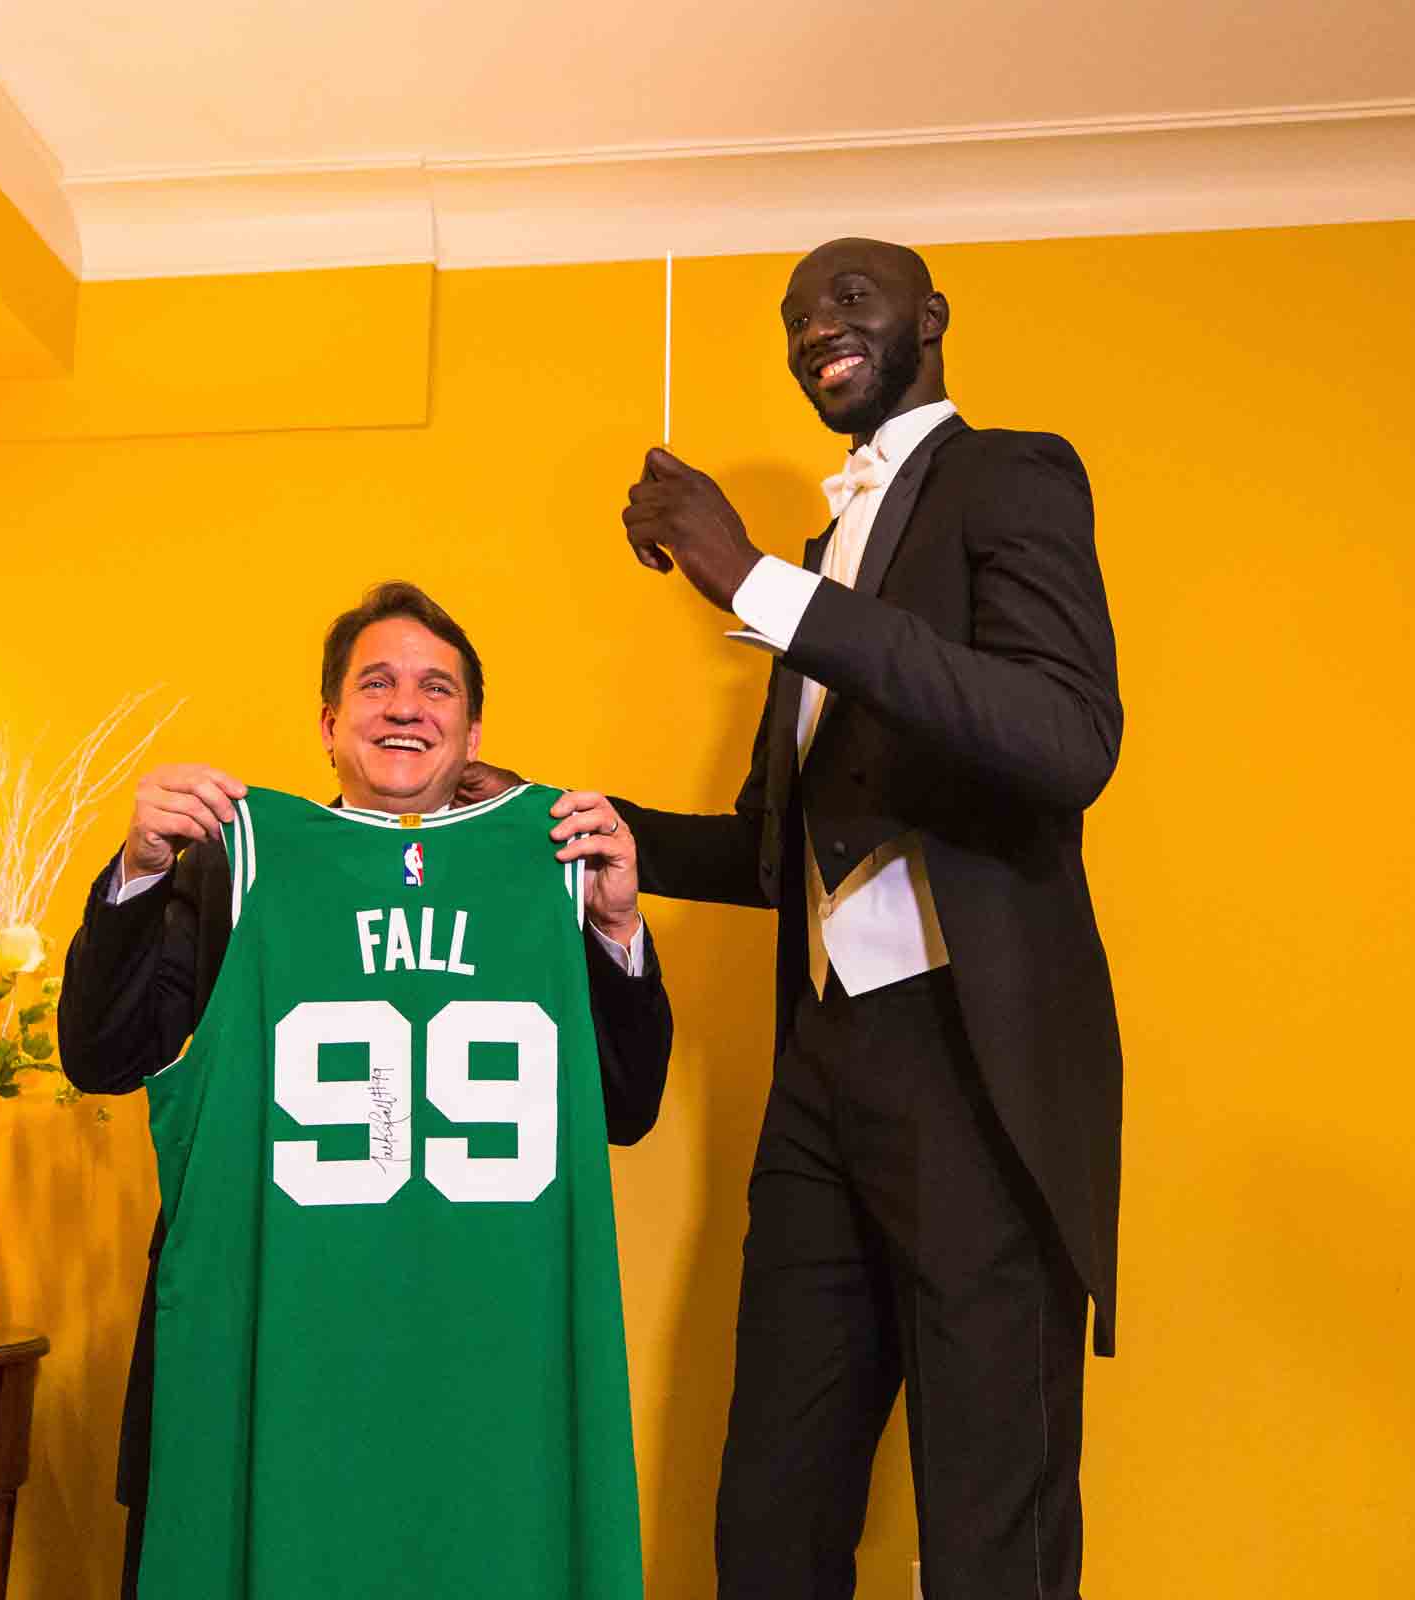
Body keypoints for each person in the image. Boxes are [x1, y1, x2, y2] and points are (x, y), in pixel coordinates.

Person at [485, 237, 1124, 1598]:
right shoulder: (829, 556)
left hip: (977, 1068)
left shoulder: (1011, 475)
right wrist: (559, 812)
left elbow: (1067, 740)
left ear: (931, 318)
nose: (813, 328)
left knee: (986, 1538)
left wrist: (757, 583)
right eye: (793, 317)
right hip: (823, 1076)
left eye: (846, 297)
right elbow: (780, 858)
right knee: (770, 1517)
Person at [59, 580, 673, 1598]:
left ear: (472, 732)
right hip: (275, 1352)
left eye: (436, 689)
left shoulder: (556, 867)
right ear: (329, 722)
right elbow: (100, 1053)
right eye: (376, 682)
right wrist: (137, 865)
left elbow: (626, 1106)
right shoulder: (226, 863)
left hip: (485, 1377)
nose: (405, 705)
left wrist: (613, 926)